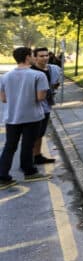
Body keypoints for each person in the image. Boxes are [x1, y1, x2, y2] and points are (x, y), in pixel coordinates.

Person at [0, 47, 51, 189]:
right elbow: (41, 97)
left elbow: (3, 99)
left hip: (12, 117)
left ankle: (2, 176)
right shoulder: (38, 75)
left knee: (10, 146)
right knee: (28, 145)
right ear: (28, 57)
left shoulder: (5, 76)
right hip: (32, 116)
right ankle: (29, 172)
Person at [30, 47, 62, 164]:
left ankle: (37, 155)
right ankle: (29, 157)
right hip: (33, 106)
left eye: (46, 55)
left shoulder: (54, 69)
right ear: (35, 57)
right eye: (41, 56)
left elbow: (55, 84)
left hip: (46, 105)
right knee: (33, 134)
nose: (45, 58)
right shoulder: (31, 72)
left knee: (41, 132)